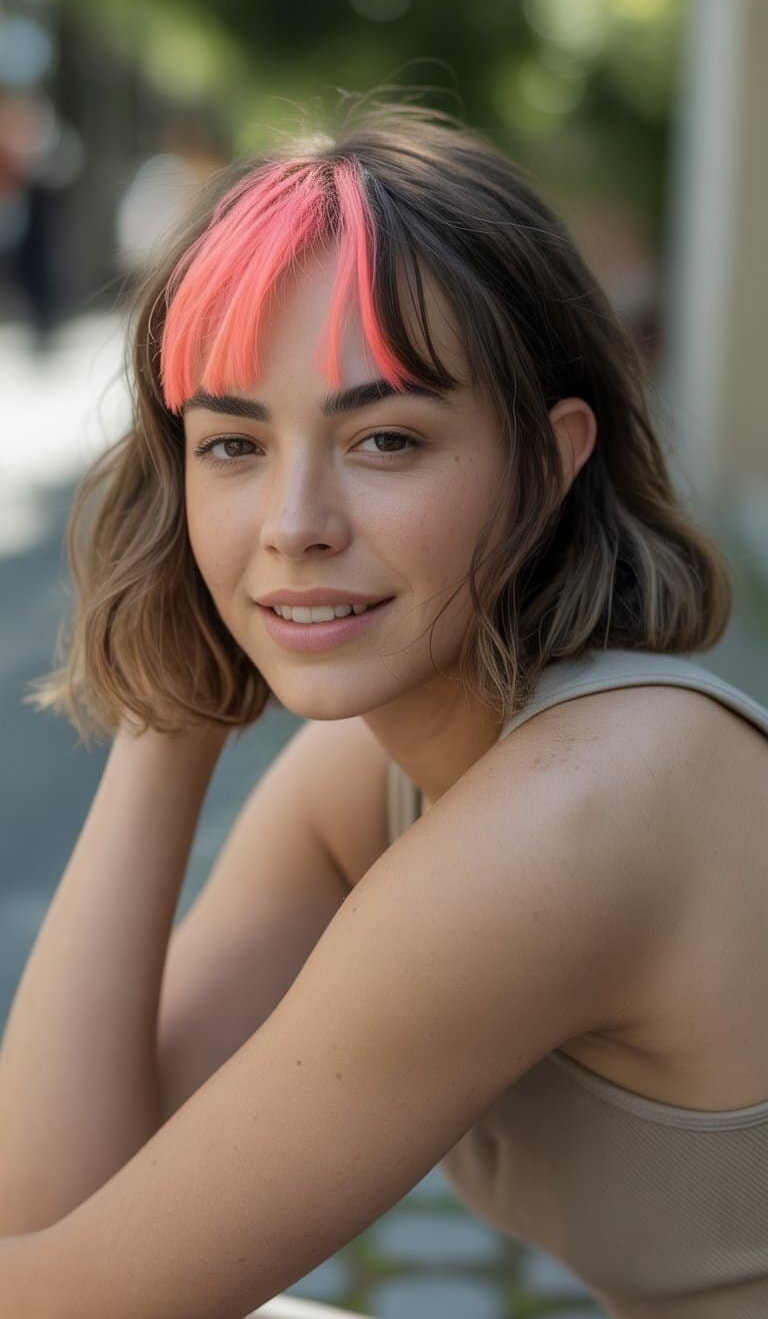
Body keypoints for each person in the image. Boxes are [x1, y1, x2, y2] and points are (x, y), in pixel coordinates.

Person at [1, 99, 767, 1319]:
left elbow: (78, 1302)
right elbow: (54, 1199)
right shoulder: (376, 775)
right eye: (234, 447)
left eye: (388, 440)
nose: (296, 525)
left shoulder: (582, 810)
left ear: (553, 455)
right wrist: (174, 710)